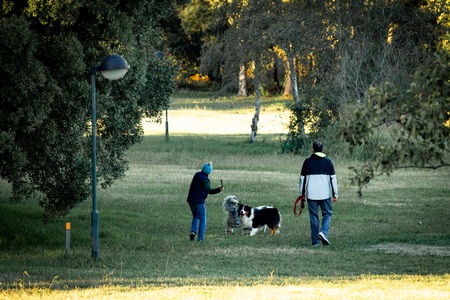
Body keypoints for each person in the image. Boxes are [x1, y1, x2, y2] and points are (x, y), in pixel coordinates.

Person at [299, 141, 338, 246]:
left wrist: (302, 194)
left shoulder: (307, 162)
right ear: (323, 149)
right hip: (325, 194)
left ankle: (315, 242)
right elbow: (333, 179)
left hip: (311, 195)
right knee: (327, 214)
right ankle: (323, 232)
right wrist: (335, 194)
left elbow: (302, 179)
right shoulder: (328, 162)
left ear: (313, 149)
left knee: (314, 216)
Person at [187, 162, 223, 242]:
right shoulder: (205, 180)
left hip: (191, 200)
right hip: (199, 202)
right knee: (203, 220)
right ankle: (200, 239)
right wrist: (218, 189)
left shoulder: (197, 175)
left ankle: (193, 232)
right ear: (209, 171)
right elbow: (209, 190)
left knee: (196, 216)